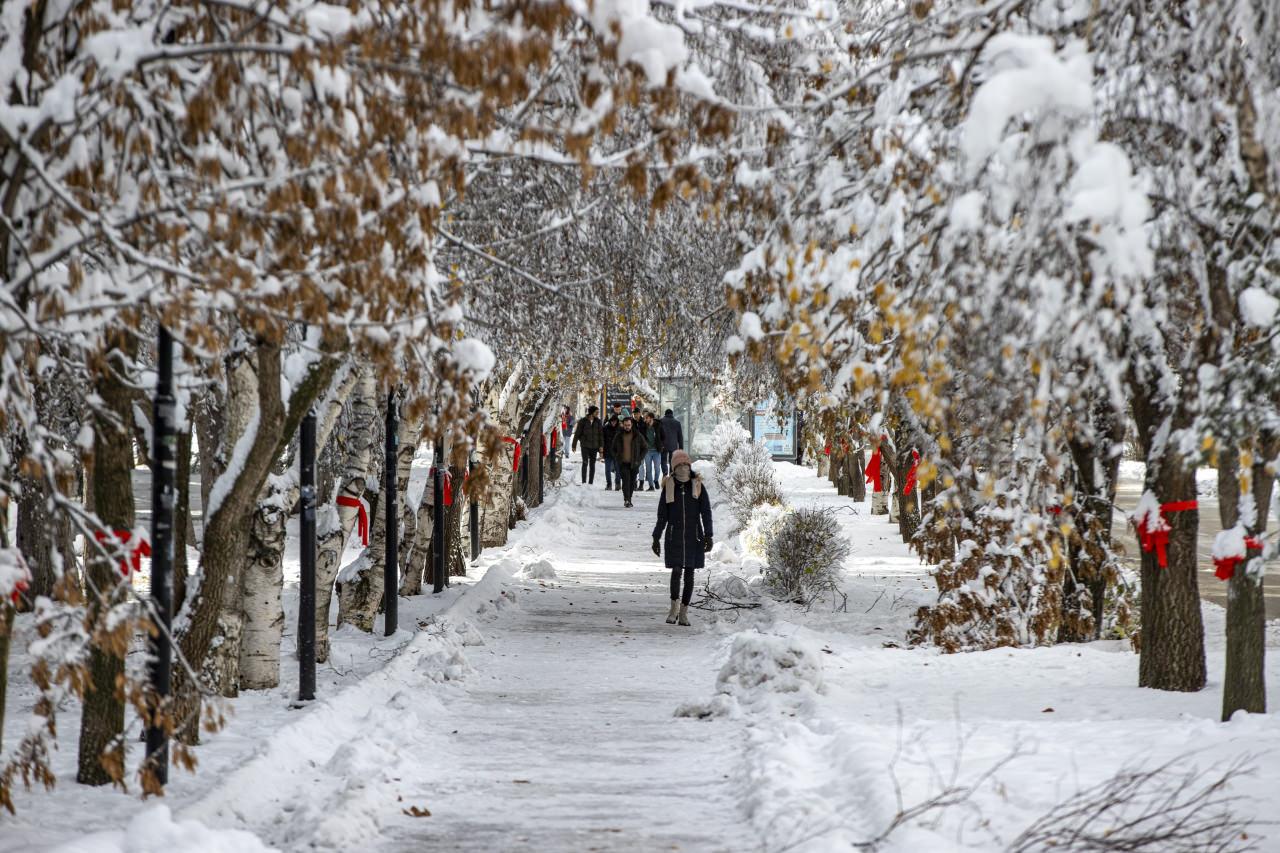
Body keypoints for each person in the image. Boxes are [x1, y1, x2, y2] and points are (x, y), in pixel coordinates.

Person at [652, 450, 712, 626]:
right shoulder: (669, 485)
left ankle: (684, 612)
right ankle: (674, 609)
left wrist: (708, 534)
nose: (683, 467)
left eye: (686, 464)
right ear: (674, 467)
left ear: (690, 466)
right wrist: (656, 537)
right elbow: (662, 515)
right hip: (674, 536)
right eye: (679, 465)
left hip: (694, 536)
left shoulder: (697, 485)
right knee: (677, 570)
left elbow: (706, 512)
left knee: (690, 574)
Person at [610, 413, 648, 508]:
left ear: (631, 425)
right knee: (626, 481)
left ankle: (629, 498)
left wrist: (639, 458)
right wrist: (617, 457)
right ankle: (626, 499)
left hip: (634, 463)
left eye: (629, 425)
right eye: (625, 425)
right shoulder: (619, 435)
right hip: (623, 463)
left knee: (632, 482)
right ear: (623, 425)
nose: (627, 427)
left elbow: (645, 448)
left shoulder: (637, 435)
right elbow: (613, 448)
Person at [572, 406, 603, 484]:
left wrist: (601, 446)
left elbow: (601, 435)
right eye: (596, 412)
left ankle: (590, 482)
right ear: (592, 412)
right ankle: (584, 482)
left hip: (594, 446)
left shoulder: (598, 421)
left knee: (592, 465)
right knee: (585, 463)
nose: (598, 414)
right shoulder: (583, 421)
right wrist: (574, 445)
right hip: (585, 446)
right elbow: (577, 433)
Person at [641, 411, 663, 492]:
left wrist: (661, 445)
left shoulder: (658, 426)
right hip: (647, 451)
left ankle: (656, 480)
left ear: (651, 418)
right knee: (648, 469)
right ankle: (651, 486)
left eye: (646, 418)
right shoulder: (644, 427)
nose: (645, 419)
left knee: (657, 468)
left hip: (656, 451)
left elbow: (663, 436)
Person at [658, 408, 684, 475]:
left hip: (663, 445)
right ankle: (671, 473)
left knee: (663, 460)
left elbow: (658, 434)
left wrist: (659, 444)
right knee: (672, 460)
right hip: (673, 446)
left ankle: (665, 472)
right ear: (672, 414)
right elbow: (680, 436)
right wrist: (681, 448)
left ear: (665, 414)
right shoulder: (677, 423)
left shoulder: (661, 421)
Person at [602, 413, 620, 490]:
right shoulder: (605, 428)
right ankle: (609, 484)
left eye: (615, 421)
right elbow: (602, 440)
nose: (613, 422)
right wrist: (601, 450)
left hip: (617, 453)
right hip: (608, 452)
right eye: (612, 421)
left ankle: (618, 484)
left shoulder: (620, 429)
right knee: (607, 470)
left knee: (618, 469)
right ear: (610, 421)